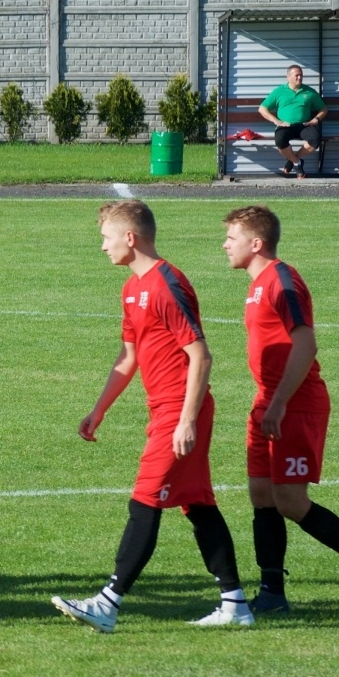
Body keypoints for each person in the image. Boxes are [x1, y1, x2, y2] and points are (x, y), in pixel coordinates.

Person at [53, 200, 252, 632]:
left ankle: (108, 603)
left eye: (106, 238)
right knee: (198, 505)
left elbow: (200, 354)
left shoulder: (166, 283)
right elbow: (128, 358)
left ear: (130, 237)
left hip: (180, 410)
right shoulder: (130, 288)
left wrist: (187, 419)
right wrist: (98, 410)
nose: (102, 247)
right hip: (165, 409)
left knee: (144, 501)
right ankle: (236, 604)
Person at [222, 206, 339, 615]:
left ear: (256, 243)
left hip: (295, 403)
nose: (225, 244)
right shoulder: (257, 284)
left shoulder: (282, 281)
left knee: (290, 501)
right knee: (261, 496)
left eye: (231, 237)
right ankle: (272, 595)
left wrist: (280, 403)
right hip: (268, 400)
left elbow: (306, 344)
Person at [257, 64, 327, 178]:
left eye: (301, 75)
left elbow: (323, 109)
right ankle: (297, 163)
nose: (299, 78)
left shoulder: (310, 92)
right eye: (296, 75)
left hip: (304, 125)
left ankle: (292, 160)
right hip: (285, 126)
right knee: (280, 140)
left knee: (315, 139)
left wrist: (316, 119)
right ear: (288, 77)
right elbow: (262, 109)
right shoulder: (279, 91)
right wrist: (276, 121)